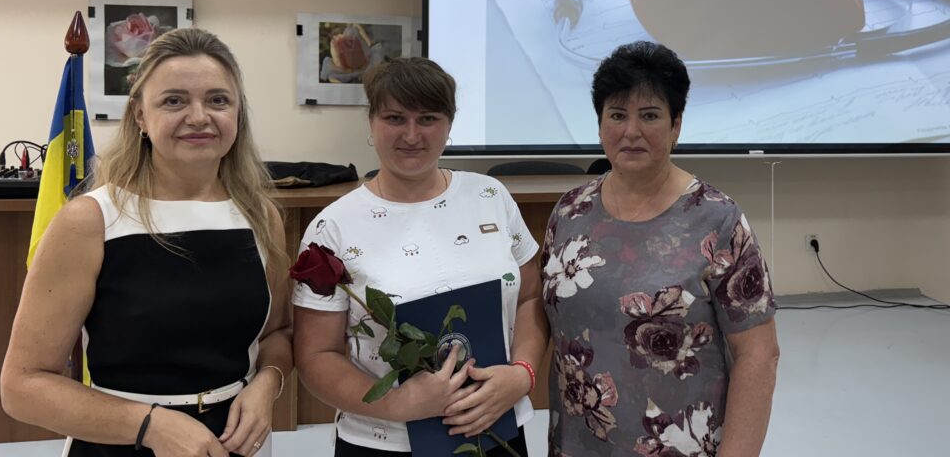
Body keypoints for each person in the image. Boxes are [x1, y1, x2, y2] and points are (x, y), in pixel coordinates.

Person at [1, 28, 292, 457]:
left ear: (238, 113)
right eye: (174, 101)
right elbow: (22, 385)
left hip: (236, 444)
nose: (199, 116)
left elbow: (277, 333)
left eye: (218, 100)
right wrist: (150, 426)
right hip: (119, 445)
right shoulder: (91, 220)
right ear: (140, 115)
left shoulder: (260, 215)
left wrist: (268, 382)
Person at [293, 57, 548, 456]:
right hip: (384, 443)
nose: (411, 135)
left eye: (428, 118)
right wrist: (396, 404)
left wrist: (523, 374)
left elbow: (531, 297)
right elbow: (315, 356)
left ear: (449, 123)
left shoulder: (490, 196)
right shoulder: (333, 227)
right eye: (395, 118)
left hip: (495, 427)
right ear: (371, 122)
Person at [541, 41, 779, 457]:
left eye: (649, 115)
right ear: (600, 125)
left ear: (676, 126)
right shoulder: (570, 211)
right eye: (617, 115)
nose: (631, 131)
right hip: (579, 444)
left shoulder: (717, 220)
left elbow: (758, 355)